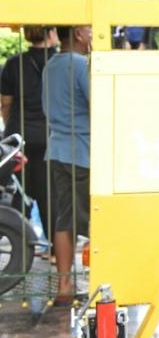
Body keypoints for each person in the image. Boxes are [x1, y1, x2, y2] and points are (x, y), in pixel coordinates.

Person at [42, 25, 92, 304]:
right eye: (89, 29)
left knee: (65, 219)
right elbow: (99, 103)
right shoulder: (80, 65)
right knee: (96, 221)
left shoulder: (51, 65)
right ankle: (101, 282)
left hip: (58, 150)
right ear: (77, 33)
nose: (93, 33)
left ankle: (63, 284)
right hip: (83, 152)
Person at [1, 26, 58, 238]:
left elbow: (6, 103)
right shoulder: (58, 62)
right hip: (49, 135)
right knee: (48, 192)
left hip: (20, 135)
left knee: (19, 191)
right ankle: (53, 248)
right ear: (51, 33)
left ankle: (19, 242)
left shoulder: (14, 63)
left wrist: (12, 127)